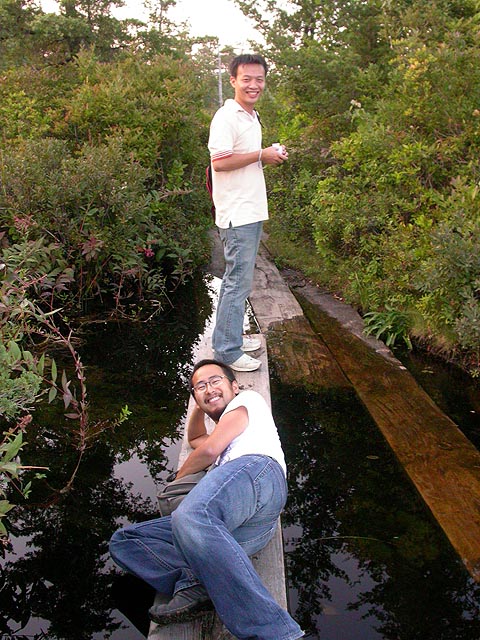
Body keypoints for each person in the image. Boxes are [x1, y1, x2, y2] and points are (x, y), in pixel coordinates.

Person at [109, 359, 304, 640]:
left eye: (215, 381)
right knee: (125, 541)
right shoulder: (228, 431)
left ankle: (276, 633)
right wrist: (200, 406)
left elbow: (209, 450)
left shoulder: (248, 401)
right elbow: (197, 438)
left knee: (190, 514)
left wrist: (177, 479)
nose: (209, 388)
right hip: (240, 530)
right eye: (200, 386)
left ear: (235, 387)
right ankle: (196, 583)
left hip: (258, 473)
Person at [208, 53, 288, 372]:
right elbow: (220, 162)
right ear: (233, 81)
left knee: (240, 280)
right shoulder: (226, 117)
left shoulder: (250, 116)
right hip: (236, 213)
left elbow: (248, 158)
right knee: (236, 281)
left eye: (259, 79)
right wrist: (261, 155)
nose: (254, 85)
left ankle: (231, 338)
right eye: (247, 79)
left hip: (250, 210)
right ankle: (227, 351)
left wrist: (269, 155)